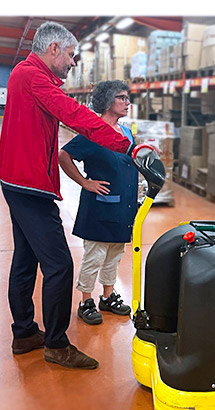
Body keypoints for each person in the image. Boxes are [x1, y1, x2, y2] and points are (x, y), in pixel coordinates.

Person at [0, 22, 144, 371]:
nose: (73, 62)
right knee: (60, 266)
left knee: (25, 260)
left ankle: (25, 333)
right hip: (29, 184)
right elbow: (73, 115)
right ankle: (57, 345)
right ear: (53, 49)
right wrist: (126, 145)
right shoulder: (33, 77)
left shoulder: (27, 75)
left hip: (18, 178)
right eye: (70, 55)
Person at [58, 81, 137, 325]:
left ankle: (107, 296)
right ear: (107, 101)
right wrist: (85, 182)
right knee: (95, 255)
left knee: (114, 254)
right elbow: (63, 155)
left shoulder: (126, 132)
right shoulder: (93, 132)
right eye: (122, 98)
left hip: (123, 204)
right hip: (100, 205)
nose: (127, 102)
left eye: (127, 98)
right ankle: (85, 300)